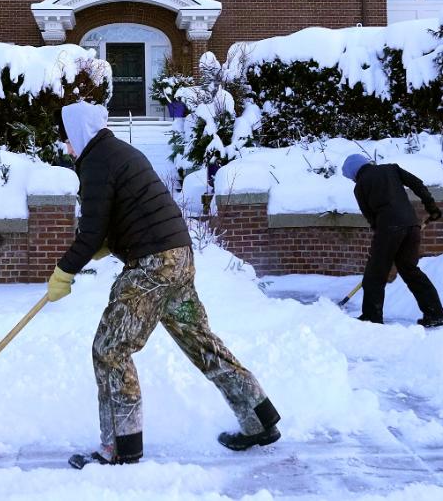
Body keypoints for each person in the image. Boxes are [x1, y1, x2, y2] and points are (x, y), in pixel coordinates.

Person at [46, 102, 281, 469]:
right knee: (201, 342)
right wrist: (102, 245)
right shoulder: (119, 152)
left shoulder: (95, 161)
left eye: (66, 140)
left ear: (78, 135)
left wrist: (64, 271)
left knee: (110, 348)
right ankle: (260, 417)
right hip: (179, 259)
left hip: (153, 266)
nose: (66, 148)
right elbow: (126, 212)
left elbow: (91, 231)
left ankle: (121, 447)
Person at [341, 154, 443, 328]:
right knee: (410, 270)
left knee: (375, 274)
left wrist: (382, 243)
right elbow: (417, 184)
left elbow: (371, 217)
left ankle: (371, 318)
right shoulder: (391, 169)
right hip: (412, 226)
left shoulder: (360, 187)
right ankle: (435, 313)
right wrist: (431, 207)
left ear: (354, 173)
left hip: (388, 228)